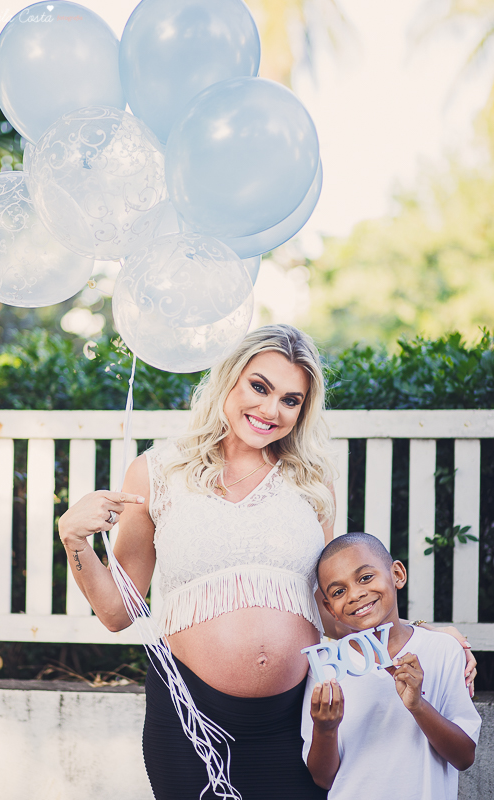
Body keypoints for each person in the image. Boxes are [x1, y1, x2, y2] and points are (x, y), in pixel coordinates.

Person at [58, 324, 476, 800]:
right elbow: (117, 612)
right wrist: (73, 537)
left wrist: (421, 635)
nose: (270, 410)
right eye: (259, 387)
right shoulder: (158, 471)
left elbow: (338, 606)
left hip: (297, 717)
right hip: (187, 714)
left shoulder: (312, 480)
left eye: (290, 400)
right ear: (229, 379)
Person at [301, 533, 481, 800]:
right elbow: (323, 778)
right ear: (331, 608)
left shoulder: (442, 650)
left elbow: (464, 757)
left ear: (397, 574)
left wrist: (418, 706)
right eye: (339, 591)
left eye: (365, 577)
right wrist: (325, 729)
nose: (356, 594)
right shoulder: (326, 666)